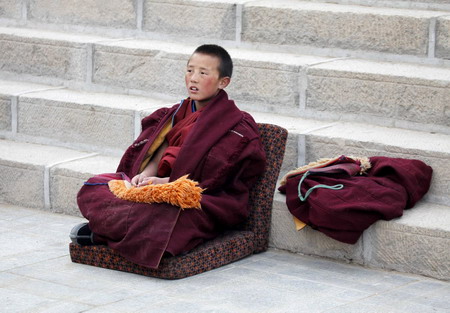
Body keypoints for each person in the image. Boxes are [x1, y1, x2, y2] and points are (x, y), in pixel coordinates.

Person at [70, 44, 267, 269]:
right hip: (157, 190)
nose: (193, 78)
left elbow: (217, 179)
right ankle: (128, 235)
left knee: (169, 216)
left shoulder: (236, 126)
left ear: (223, 82)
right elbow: (158, 153)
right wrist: (145, 176)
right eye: (190, 70)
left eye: (203, 73)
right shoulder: (174, 113)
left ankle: (104, 234)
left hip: (202, 200)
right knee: (96, 187)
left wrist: (168, 184)